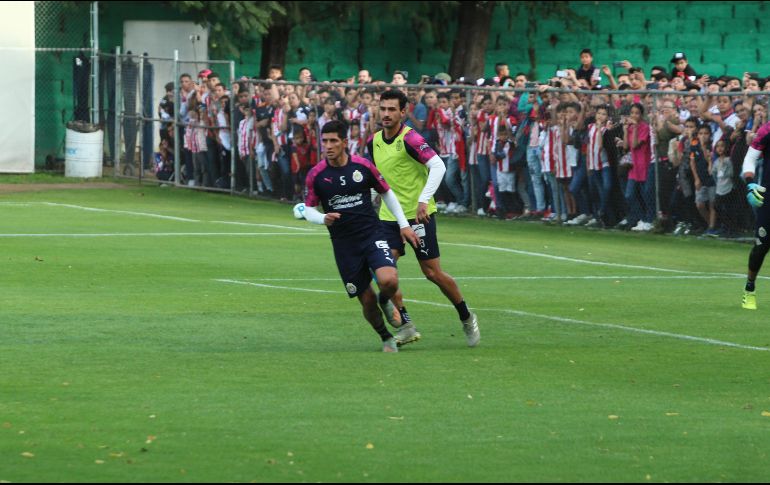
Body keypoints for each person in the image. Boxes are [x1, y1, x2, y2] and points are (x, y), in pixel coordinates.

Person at [367, 89, 481, 347]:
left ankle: (466, 316)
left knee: (432, 273)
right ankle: (406, 324)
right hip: (388, 218)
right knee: (385, 272)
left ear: (403, 112)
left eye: (391, 109)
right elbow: (379, 179)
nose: (386, 114)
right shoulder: (374, 141)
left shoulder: (411, 139)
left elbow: (438, 165)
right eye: (383, 109)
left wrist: (423, 200)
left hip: (419, 218)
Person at [303, 120, 419, 352]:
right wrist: (321, 218)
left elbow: (387, 193)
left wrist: (403, 224)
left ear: (345, 142)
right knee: (365, 299)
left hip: (372, 234)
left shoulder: (363, 167)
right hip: (344, 245)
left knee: (389, 280)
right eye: (325, 141)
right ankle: (386, 337)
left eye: (334, 141)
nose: (328, 146)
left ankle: (385, 301)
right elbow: (306, 208)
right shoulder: (317, 175)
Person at [740, 120, 770, 309]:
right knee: (761, 246)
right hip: (769, 199)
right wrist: (750, 182)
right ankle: (749, 288)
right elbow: (750, 157)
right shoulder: (767, 130)